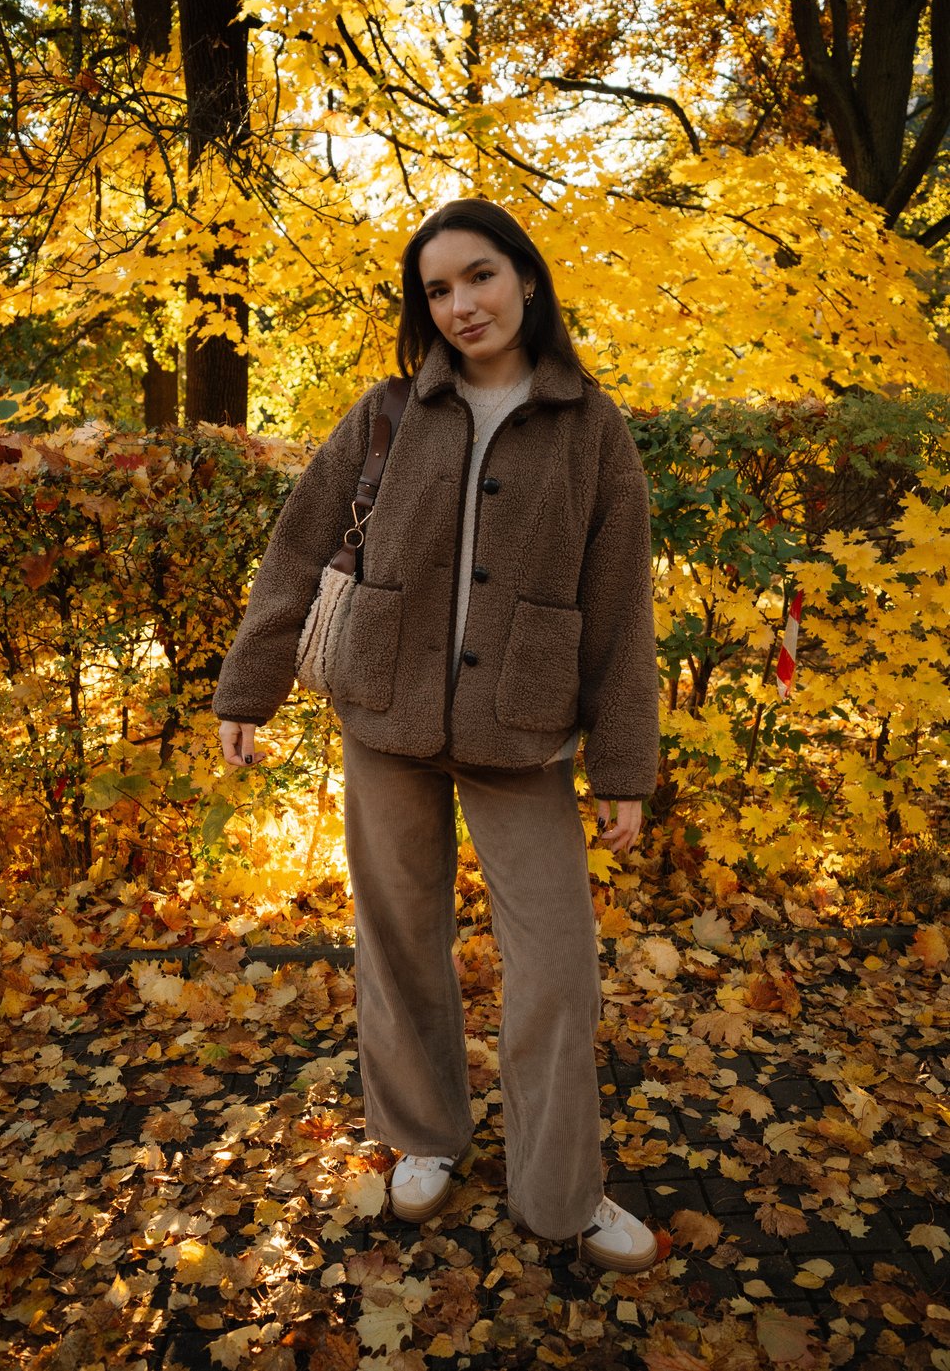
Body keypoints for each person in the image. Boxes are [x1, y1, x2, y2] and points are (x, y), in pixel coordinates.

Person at [213, 199, 661, 1273]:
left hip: (525, 734)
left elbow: (621, 606)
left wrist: (623, 765)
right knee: (398, 936)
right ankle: (421, 1135)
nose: (460, 304)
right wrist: (247, 686)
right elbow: (296, 550)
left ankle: (563, 1191)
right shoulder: (385, 412)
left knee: (557, 964)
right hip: (385, 716)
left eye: (479, 277)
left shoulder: (591, 426)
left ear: (527, 279)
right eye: (438, 290)